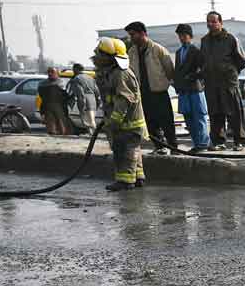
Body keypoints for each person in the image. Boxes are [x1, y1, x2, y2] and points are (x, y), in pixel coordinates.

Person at [91, 37, 147, 191]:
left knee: (124, 151)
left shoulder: (120, 74)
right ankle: (137, 177)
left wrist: (114, 121)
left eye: (100, 54)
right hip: (126, 122)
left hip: (127, 123)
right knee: (133, 150)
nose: (96, 57)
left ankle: (125, 181)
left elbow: (123, 100)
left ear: (108, 57)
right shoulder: (113, 72)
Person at [124, 21, 176, 154]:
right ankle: (160, 147)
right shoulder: (132, 52)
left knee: (166, 122)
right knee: (150, 123)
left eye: (133, 34)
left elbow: (169, 70)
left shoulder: (158, 49)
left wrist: (162, 82)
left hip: (159, 92)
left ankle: (173, 147)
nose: (131, 38)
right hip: (142, 94)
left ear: (142, 34)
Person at [201, 11, 245, 151]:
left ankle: (239, 141)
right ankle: (218, 142)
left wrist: (230, 73)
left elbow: (241, 61)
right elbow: (203, 60)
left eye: (214, 21)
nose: (211, 24)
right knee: (215, 113)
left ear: (220, 23)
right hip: (211, 83)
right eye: (208, 21)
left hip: (228, 82)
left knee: (234, 112)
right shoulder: (205, 41)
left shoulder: (231, 39)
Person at [173, 23, 210, 153]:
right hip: (184, 91)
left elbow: (204, 69)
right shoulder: (178, 53)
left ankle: (203, 144)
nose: (182, 38)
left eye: (184, 35)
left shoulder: (196, 51)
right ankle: (196, 144)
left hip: (196, 89)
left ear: (190, 36)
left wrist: (193, 76)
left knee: (199, 117)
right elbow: (177, 71)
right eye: (180, 36)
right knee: (188, 119)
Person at [67, 63, 101, 135]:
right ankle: (91, 135)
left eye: (73, 69)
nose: (73, 71)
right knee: (91, 120)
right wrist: (98, 103)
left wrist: (82, 106)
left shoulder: (77, 79)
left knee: (89, 121)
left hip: (85, 100)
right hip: (93, 100)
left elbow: (80, 94)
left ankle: (93, 136)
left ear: (76, 69)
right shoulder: (90, 78)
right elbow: (97, 92)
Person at [37, 67, 73, 135]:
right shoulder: (43, 84)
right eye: (49, 72)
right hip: (48, 106)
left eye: (52, 72)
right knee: (51, 127)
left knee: (62, 126)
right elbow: (42, 96)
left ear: (57, 73)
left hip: (59, 106)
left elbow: (66, 95)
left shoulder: (62, 83)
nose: (50, 74)